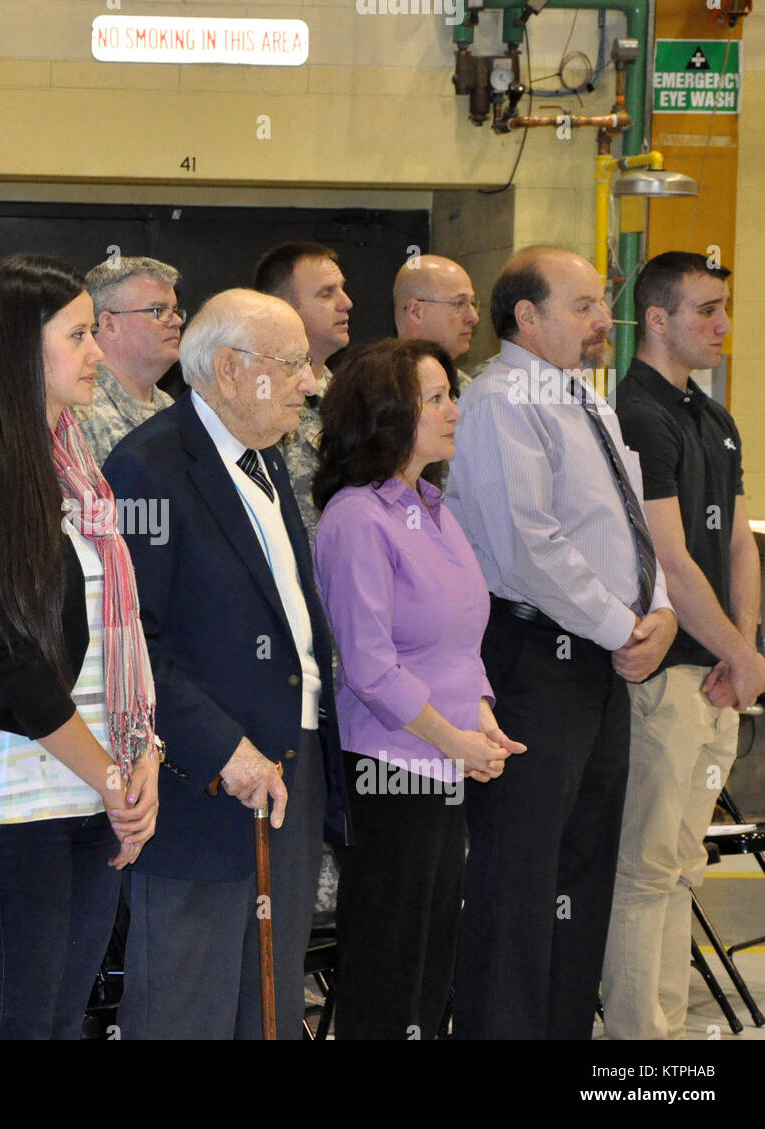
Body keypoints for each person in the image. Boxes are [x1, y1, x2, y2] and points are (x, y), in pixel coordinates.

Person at [103, 288, 351, 1040]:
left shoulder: (267, 461)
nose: (312, 382)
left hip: (288, 775)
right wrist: (225, 750)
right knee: (187, 1006)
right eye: (295, 363)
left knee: (265, 1006)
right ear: (235, 371)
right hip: (203, 787)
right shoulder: (149, 465)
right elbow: (131, 639)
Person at [447, 244, 678, 1040]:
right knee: (518, 881)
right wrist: (625, 628)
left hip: (598, 665)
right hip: (534, 662)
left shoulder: (587, 400)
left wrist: (661, 612)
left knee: (581, 870)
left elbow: (629, 526)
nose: (600, 320)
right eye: (582, 306)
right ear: (527, 316)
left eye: (600, 304)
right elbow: (527, 545)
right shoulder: (502, 400)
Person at [0, 253, 161, 1040]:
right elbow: (6, 663)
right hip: (18, 801)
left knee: (65, 1020)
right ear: (25, 350)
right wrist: (110, 776)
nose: (97, 351)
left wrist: (144, 759)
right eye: (79, 335)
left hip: (93, 793)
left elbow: (116, 644)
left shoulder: (78, 471)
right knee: (13, 1023)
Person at [311, 337, 524, 1040]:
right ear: (389, 414)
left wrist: (483, 718)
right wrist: (455, 738)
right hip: (391, 767)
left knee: (435, 957)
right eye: (436, 398)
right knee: (390, 959)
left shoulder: (431, 504)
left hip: (446, 757)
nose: (455, 411)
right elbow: (369, 667)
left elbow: (460, 639)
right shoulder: (355, 517)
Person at [603, 252, 764, 1039]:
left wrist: (748, 651)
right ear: (657, 319)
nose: (723, 325)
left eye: (725, 307)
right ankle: (643, 1040)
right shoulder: (636, 413)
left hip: (719, 673)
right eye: (706, 309)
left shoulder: (714, 417)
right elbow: (669, 558)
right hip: (667, 674)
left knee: (685, 863)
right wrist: (735, 651)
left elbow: (736, 543)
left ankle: (665, 1028)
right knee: (647, 865)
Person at [254, 242, 353, 538]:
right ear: (281, 307)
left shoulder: (350, 396)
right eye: (326, 293)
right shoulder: (259, 400)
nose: (346, 302)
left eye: (342, 289)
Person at [73, 255, 182, 466]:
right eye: (158, 311)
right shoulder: (79, 412)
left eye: (175, 310)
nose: (176, 321)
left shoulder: (169, 407)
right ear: (109, 325)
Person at [393, 254, 482, 388]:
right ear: (416, 312)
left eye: (473, 303)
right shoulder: (379, 392)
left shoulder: (469, 390)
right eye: (458, 304)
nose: (474, 318)